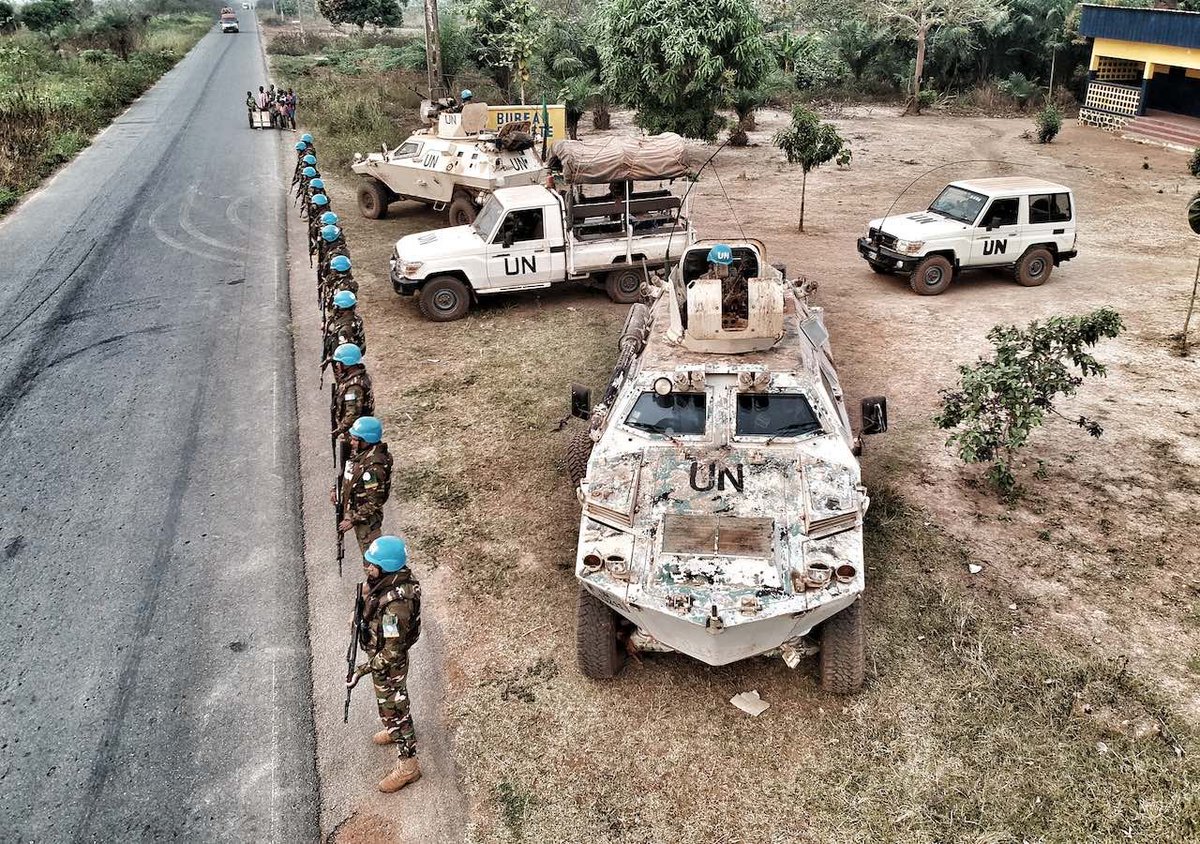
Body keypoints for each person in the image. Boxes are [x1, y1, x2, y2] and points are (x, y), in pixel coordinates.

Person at [346, 535, 422, 793]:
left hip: (389, 665)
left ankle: (409, 767)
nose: (368, 568)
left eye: (373, 565)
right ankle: (392, 727)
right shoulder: (390, 580)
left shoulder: (396, 609)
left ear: (386, 567)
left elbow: (392, 652)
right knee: (389, 706)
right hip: (382, 659)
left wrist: (361, 671)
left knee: (397, 710)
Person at [336, 415, 392, 557]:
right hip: (358, 511)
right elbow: (350, 472)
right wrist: (336, 489)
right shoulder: (362, 453)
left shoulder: (373, 468)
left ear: (367, 440)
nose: (352, 442)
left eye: (356, 439)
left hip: (367, 519)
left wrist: (353, 519)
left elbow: (374, 502)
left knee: (372, 558)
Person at [330, 343, 374, 439]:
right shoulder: (361, 376)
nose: (337, 365)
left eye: (339, 362)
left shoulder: (354, 387)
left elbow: (352, 415)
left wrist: (339, 431)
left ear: (347, 363)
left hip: (355, 434)